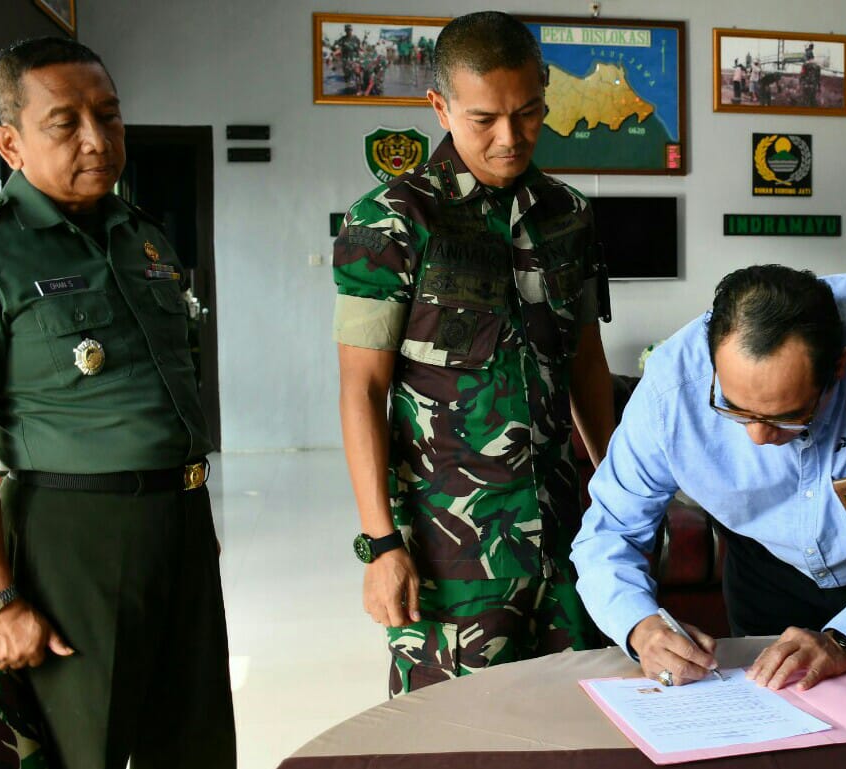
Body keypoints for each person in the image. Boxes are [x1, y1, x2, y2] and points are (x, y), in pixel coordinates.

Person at [0, 37, 234, 767]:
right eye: (64, 123)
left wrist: (186, 523)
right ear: (9, 143)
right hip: (73, 535)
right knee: (88, 749)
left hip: (181, 519)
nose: (97, 140)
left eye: (108, 115)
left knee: (196, 742)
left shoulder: (141, 236)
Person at [333, 10, 615, 697]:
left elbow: (585, 362)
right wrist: (380, 543)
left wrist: (620, 497)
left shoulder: (569, 215)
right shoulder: (391, 221)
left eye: (528, 113)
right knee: (455, 729)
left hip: (564, 536)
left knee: (581, 716)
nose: (510, 138)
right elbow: (362, 388)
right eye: (484, 119)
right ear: (440, 106)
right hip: (451, 548)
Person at [572, 266, 846, 691]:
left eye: (787, 417)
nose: (758, 437)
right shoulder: (671, 388)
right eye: (735, 409)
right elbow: (609, 532)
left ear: (839, 367)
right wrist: (641, 628)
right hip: (766, 571)